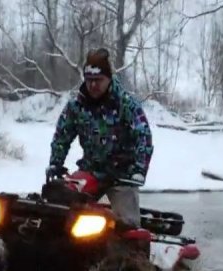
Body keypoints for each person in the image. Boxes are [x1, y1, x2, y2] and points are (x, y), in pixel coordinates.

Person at [46, 48, 153, 229]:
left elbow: (143, 136)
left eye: (98, 80)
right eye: (89, 81)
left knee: (127, 224)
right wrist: (56, 162)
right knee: (59, 205)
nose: (93, 85)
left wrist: (139, 170)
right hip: (91, 170)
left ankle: (129, 253)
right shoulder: (76, 106)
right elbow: (62, 136)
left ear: (109, 78)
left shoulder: (126, 104)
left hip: (122, 176)